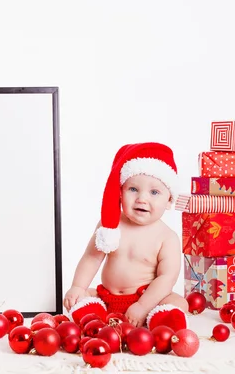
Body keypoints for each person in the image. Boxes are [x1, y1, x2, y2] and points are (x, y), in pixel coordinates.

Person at [63, 142, 189, 331]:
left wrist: (142, 306)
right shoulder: (110, 225)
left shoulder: (166, 237)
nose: (142, 199)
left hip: (145, 297)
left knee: (179, 303)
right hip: (106, 296)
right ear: (120, 192)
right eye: (133, 189)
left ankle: (158, 319)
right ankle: (94, 313)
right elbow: (91, 257)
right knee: (84, 297)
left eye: (154, 192)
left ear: (169, 199)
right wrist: (78, 287)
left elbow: (166, 278)